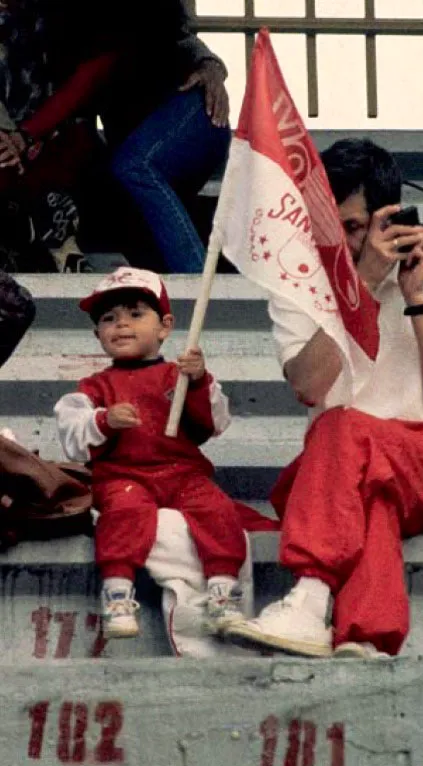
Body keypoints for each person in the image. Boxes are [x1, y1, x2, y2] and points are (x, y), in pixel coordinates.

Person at [225, 137, 423, 659]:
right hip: (340, 480)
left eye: (351, 227)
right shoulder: (302, 279)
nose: (340, 243)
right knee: (367, 487)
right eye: (328, 226)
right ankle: (368, 640)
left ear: (389, 220)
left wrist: (416, 299)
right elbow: (309, 386)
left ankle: (309, 597)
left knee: (342, 429)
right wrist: (362, 285)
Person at [54, 266, 248, 640]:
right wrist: (104, 420)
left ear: (165, 326)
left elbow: (215, 422)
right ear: (98, 335)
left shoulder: (180, 375)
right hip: (124, 477)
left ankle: (223, 593)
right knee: (124, 511)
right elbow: (72, 433)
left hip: (182, 472)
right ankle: (117, 593)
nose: (121, 325)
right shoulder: (94, 387)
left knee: (218, 510)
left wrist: (198, 381)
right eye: (108, 319)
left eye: (135, 313)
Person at [94, 0, 231, 274]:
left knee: (133, 166)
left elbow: (181, 38)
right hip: (141, 143)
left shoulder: (144, 20)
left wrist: (211, 64)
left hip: (189, 116)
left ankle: (197, 284)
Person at [0, 0, 116, 272]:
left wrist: (28, 136)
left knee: (76, 146)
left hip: (53, 134)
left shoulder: (60, 17)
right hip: (11, 144)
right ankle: (34, 235)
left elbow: (90, 75)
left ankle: (58, 242)